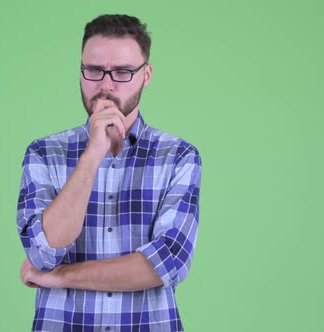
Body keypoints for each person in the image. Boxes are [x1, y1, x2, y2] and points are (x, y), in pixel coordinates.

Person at [17, 14, 202, 331]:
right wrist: (92, 154)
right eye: (93, 70)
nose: (105, 84)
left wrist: (61, 277)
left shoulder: (178, 156)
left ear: (146, 75)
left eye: (122, 72)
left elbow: (165, 264)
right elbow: (43, 251)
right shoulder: (44, 153)